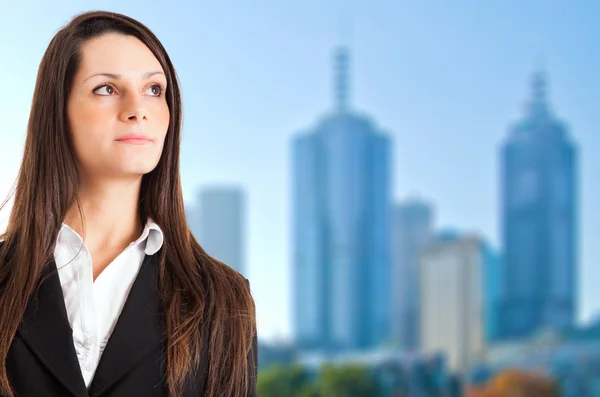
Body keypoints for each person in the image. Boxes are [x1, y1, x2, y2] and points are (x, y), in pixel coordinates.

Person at [0, 10, 257, 397]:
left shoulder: (224, 300)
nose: (139, 110)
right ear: (58, 111)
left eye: (155, 89)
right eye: (106, 88)